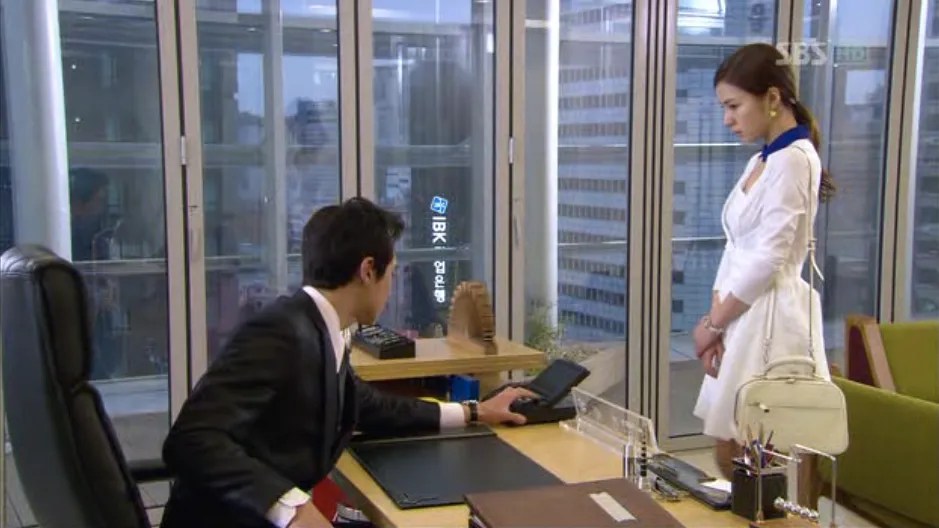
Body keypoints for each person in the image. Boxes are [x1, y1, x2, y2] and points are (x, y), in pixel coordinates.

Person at [160, 197, 536, 528]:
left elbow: (368, 405)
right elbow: (192, 439)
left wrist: (474, 411)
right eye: (391, 273)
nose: (391, 287)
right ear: (368, 270)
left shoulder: (327, 329)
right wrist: (290, 508)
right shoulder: (281, 331)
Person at [690, 43, 835, 479]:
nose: (727, 119)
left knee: (750, 451)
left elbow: (770, 257)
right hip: (743, 311)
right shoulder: (763, 159)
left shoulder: (795, 159)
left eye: (734, 106)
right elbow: (736, 248)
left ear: (772, 98)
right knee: (733, 449)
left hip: (771, 314)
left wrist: (713, 324)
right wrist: (717, 322)